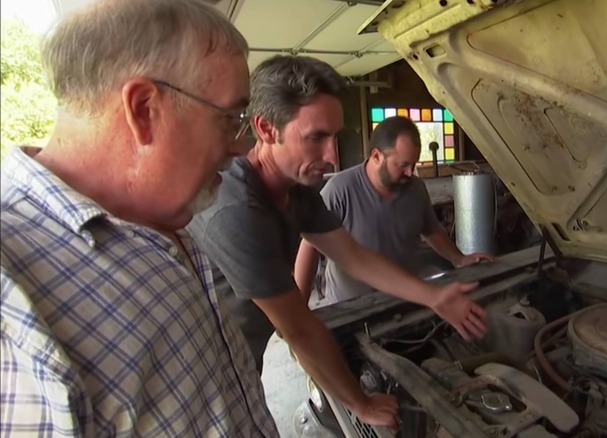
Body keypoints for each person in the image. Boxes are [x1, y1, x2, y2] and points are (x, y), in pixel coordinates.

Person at [0, 0, 279, 436]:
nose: (239, 147)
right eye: (230, 118)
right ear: (145, 109)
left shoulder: (154, 212)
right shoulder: (11, 300)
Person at [186, 55, 488, 430]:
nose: (331, 156)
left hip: (243, 360)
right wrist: (360, 403)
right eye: (315, 137)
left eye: (334, 136)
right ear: (266, 129)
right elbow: (297, 329)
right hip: (200, 375)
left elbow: (355, 256)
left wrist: (433, 296)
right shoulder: (235, 209)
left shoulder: (298, 190)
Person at [294, 116, 494, 307]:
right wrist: (299, 307)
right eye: (403, 165)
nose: (410, 172)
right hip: (352, 308)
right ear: (376, 156)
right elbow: (310, 246)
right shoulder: (339, 190)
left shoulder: (415, 189)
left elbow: (431, 229)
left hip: (403, 301)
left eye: (413, 164)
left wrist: (459, 259)